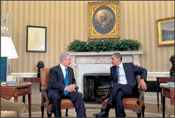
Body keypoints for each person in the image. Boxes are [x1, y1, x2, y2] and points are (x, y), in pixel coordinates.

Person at [94, 53, 147, 117]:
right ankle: (120, 115)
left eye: (113, 59)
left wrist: (142, 80)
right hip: (119, 89)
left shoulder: (129, 65)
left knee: (116, 85)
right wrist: (112, 84)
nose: (111, 61)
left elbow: (144, 70)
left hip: (130, 89)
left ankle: (106, 110)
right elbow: (112, 80)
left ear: (118, 59)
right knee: (118, 94)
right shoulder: (112, 69)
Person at [47, 53, 86, 118]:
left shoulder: (70, 70)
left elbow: (73, 80)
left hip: (67, 92)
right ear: (63, 60)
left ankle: (81, 116)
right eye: (69, 60)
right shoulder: (54, 70)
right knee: (56, 97)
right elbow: (54, 83)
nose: (70, 62)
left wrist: (73, 85)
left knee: (79, 95)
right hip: (56, 91)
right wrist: (65, 88)